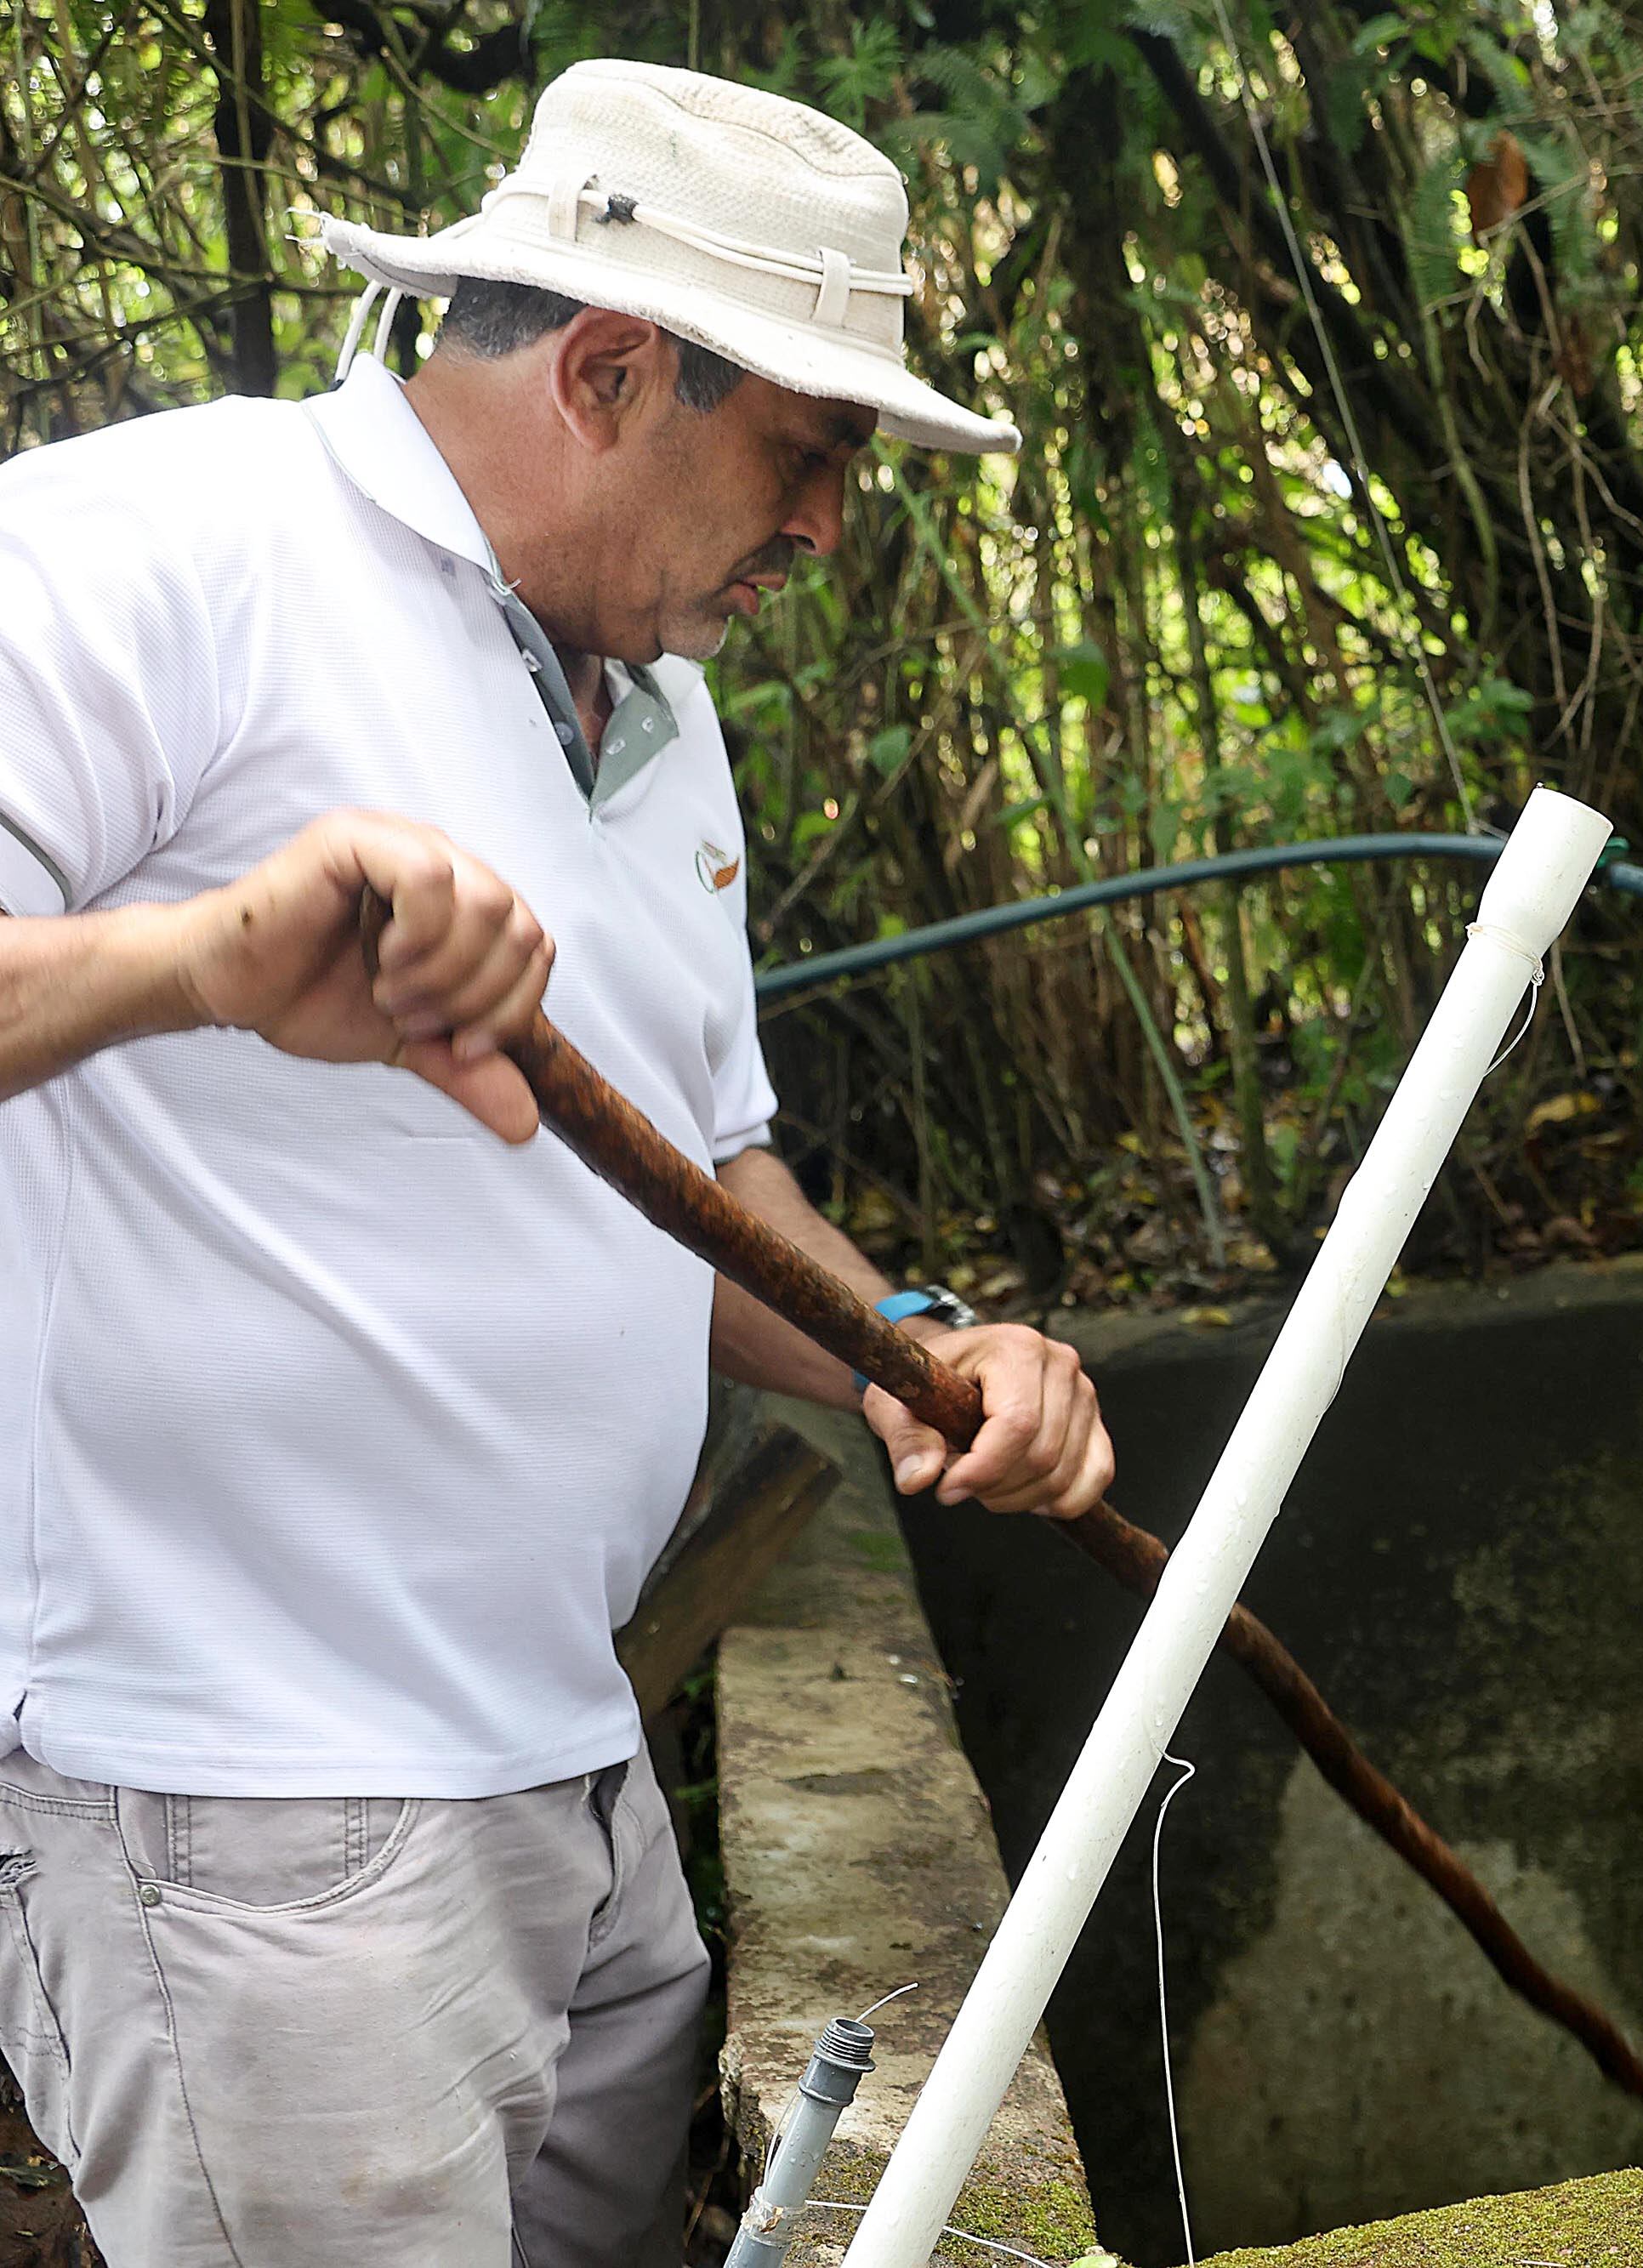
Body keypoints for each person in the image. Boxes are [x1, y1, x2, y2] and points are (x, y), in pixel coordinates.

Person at [0, 60, 1112, 2265]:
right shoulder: (156, 554)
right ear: (609, 371)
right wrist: (211, 960)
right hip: (253, 1817)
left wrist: (910, 1346)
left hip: (573, 1752)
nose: (827, 531)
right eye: (807, 458)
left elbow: (708, 1165)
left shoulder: (655, 694)